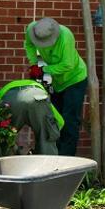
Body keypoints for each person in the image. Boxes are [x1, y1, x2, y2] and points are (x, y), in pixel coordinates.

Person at [24, 17, 87, 156]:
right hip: (57, 82)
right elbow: (28, 45)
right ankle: (54, 155)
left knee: (69, 121)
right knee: (55, 119)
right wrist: (34, 63)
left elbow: (68, 64)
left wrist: (44, 70)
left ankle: (67, 160)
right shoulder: (32, 30)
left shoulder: (66, 36)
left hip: (74, 79)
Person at [0, 76, 63, 155]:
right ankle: (48, 164)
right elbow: (60, 121)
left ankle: (3, 161)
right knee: (46, 135)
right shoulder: (42, 90)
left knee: (3, 137)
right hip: (37, 96)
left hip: (10, 97)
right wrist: (52, 131)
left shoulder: (4, 89)